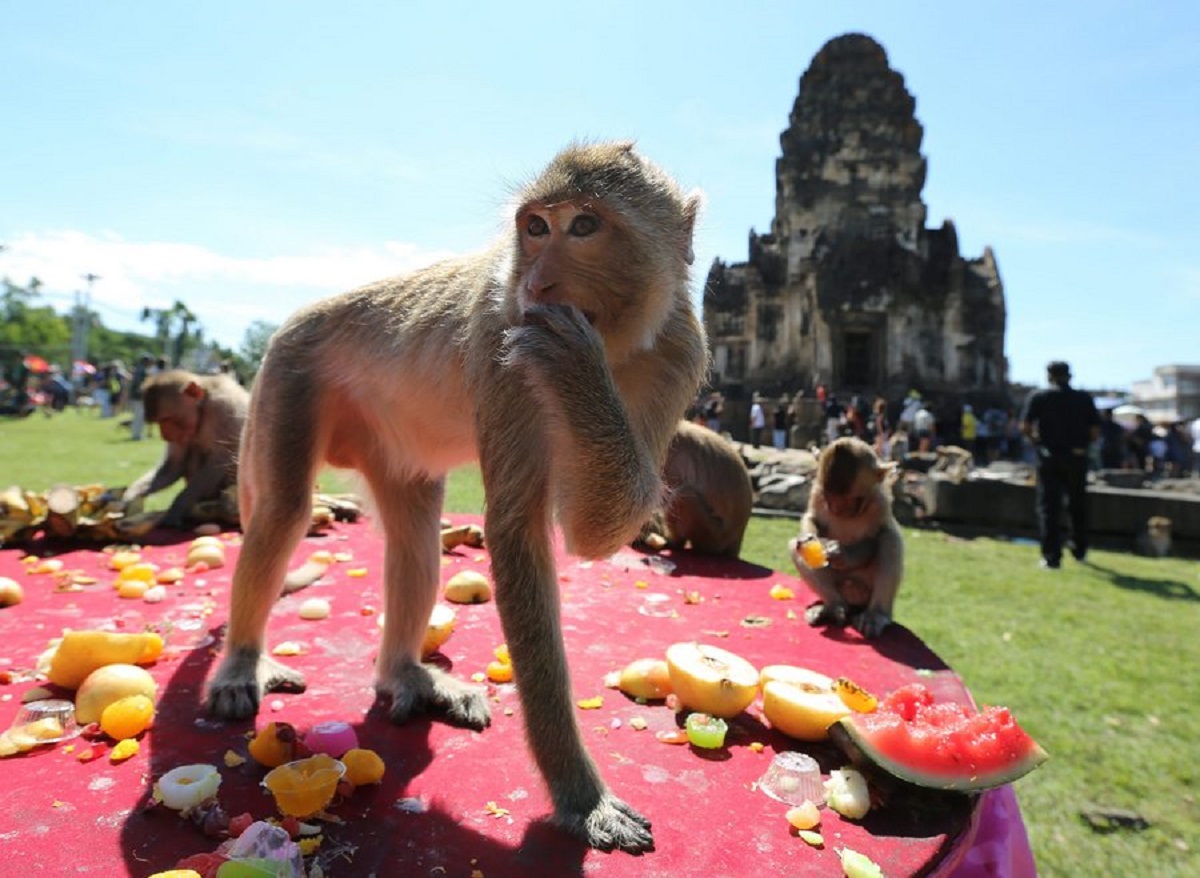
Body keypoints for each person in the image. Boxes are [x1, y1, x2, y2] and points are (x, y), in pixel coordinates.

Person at [1020, 361, 1101, 569]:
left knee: (1049, 507)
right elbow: (1094, 431)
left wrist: (1038, 443)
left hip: (1049, 457)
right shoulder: (1083, 398)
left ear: (1049, 376)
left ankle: (1051, 557)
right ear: (1069, 376)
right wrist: (1081, 444)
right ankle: (1079, 551)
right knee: (1078, 505)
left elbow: (1026, 426)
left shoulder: (1040, 397)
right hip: (1077, 456)